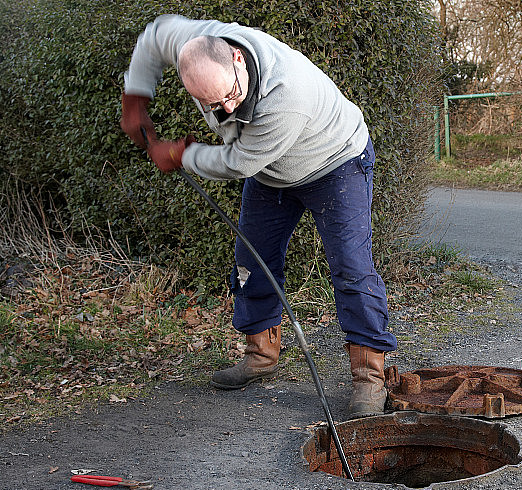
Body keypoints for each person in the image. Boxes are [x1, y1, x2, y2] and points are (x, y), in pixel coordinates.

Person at [120, 14, 397, 419]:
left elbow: (238, 161)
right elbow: (153, 36)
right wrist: (135, 99)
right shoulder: (193, 43)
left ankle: (370, 378)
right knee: (253, 260)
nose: (226, 107)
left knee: (351, 267)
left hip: (336, 161)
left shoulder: (287, 95)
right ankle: (261, 354)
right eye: (213, 104)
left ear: (236, 57)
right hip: (273, 172)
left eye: (229, 94)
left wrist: (181, 154)